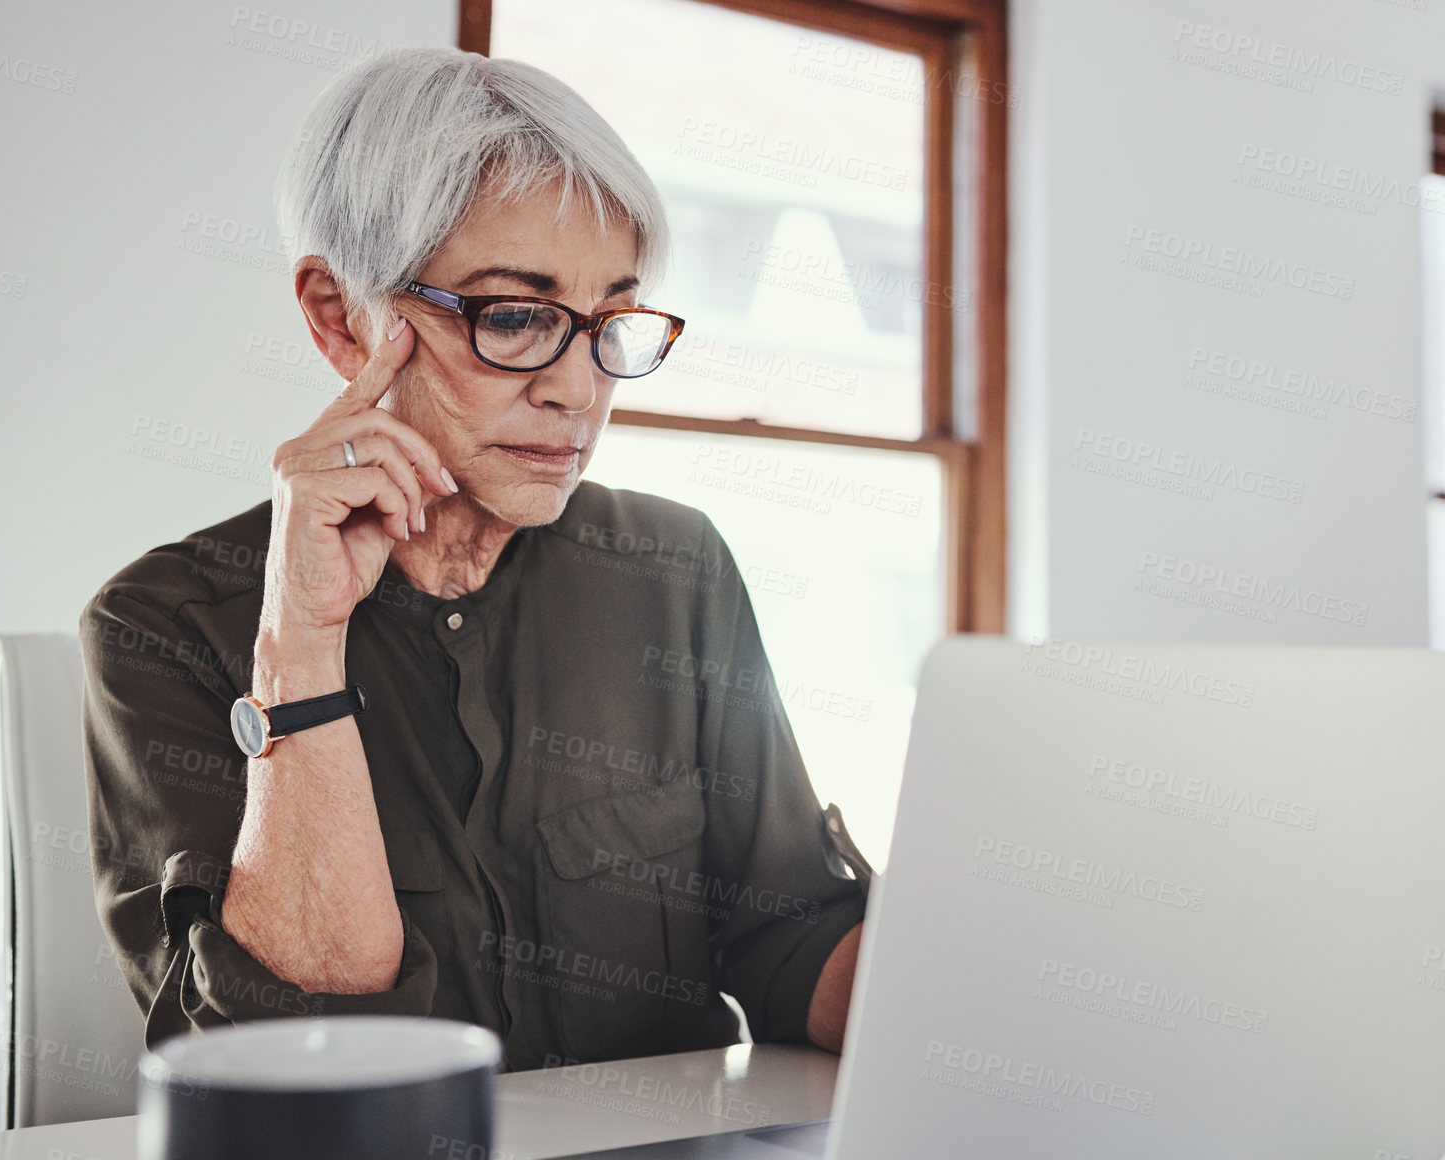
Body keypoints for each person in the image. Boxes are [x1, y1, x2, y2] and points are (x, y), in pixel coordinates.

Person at [79, 45, 868, 1069]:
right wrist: (302, 646)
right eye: (514, 315)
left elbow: (789, 936)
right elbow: (297, 1057)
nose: (578, 390)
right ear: (337, 315)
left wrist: (988, 977)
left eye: (609, 322)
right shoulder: (164, 625)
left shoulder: (674, 568)